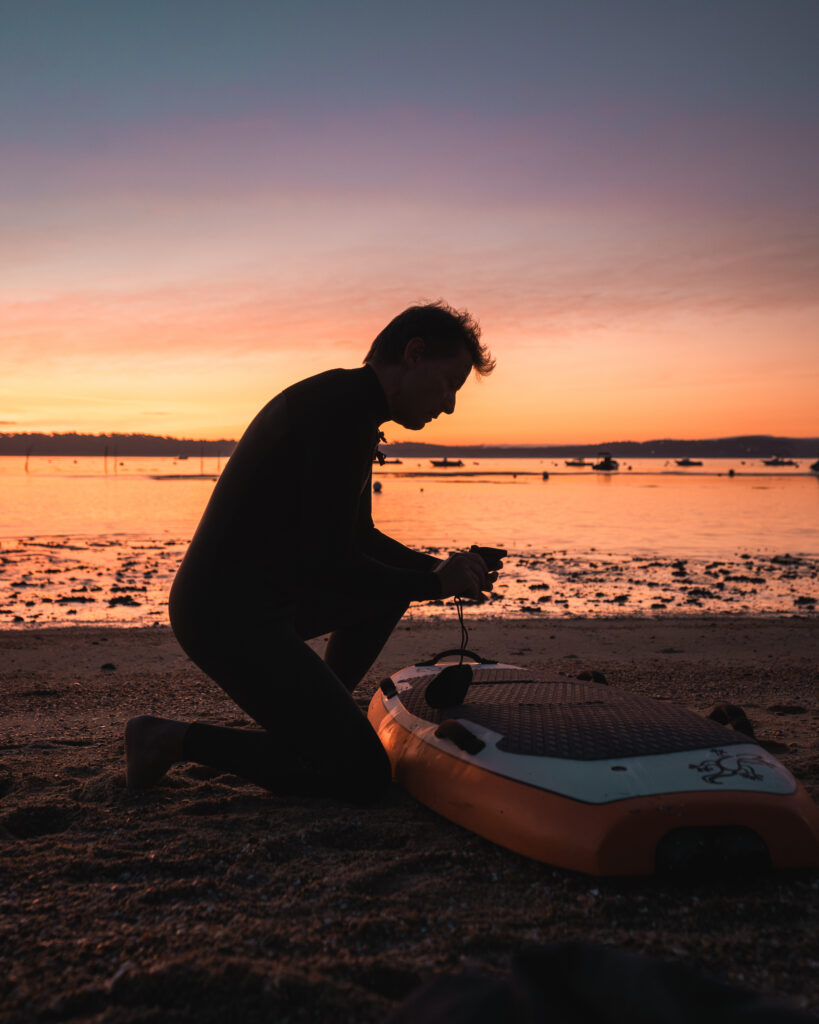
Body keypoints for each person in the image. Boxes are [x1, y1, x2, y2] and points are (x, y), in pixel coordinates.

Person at [125, 301, 498, 802]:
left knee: (386, 596)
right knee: (362, 775)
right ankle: (165, 738)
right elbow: (335, 563)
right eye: (450, 383)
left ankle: (319, 717)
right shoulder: (339, 412)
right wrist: (434, 583)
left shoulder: (353, 407)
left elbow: (358, 538)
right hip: (224, 615)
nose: (450, 404)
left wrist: (441, 569)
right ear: (414, 354)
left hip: (268, 602)